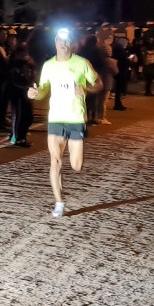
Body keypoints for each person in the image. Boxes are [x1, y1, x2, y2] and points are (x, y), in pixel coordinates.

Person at [28, 28, 102, 218]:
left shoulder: (82, 63)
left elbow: (99, 84)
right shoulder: (48, 66)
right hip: (56, 118)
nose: (63, 43)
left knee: (76, 165)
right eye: (60, 40)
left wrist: (86, 89)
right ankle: (59, 203)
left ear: (72, 43)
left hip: (76, 118)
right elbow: (44, 89)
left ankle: (74, 158)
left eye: (67, 40)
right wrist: (35, 94)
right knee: (55, 161)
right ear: (55, 42)